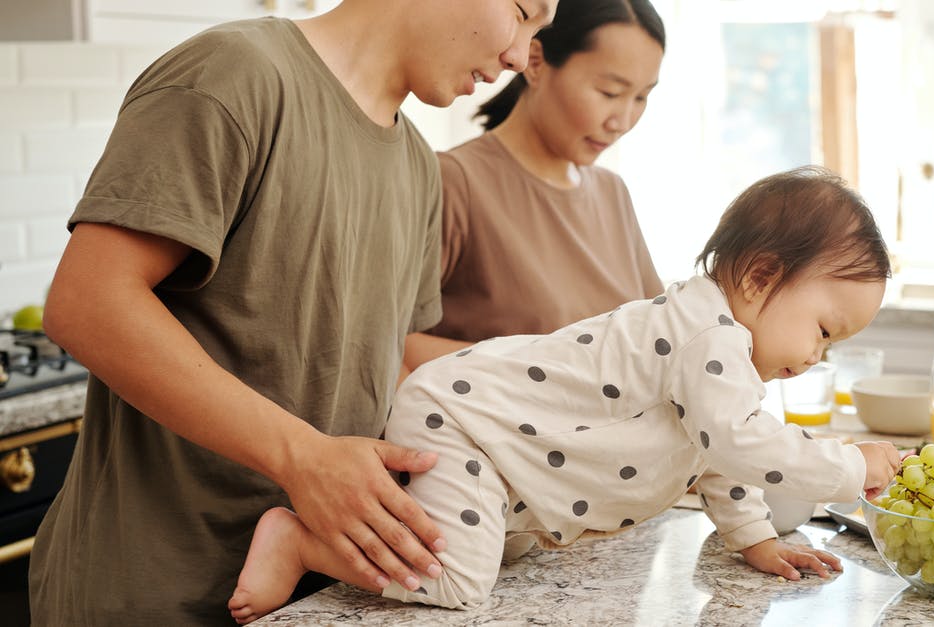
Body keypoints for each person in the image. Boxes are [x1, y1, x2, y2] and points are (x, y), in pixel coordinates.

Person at [28, 1, 558, 624]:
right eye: (524, 12)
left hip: (313, 601)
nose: (522, 57)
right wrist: (302, 458)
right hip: (152, 595)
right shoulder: (234, 75)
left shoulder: (417, 165)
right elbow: (88, 304)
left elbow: (378, 369)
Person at [227, 166, 903, 621]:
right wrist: (850, 465)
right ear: (759, 278)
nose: (817, 354)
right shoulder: (706, 337)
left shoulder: (720, 352)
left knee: (496, 551)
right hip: (464, 421)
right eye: (822, 329)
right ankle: (299, 542)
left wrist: (754, 538)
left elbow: (718, 455)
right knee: (460, 581)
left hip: (493, 440)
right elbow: (741, 441)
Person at [402, 0, 666, 370]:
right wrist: (548, 367)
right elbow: (387, 343)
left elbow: (660, 339)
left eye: (641, 97)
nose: (621, 121)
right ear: (537, 63)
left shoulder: (612, 194)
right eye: (609, 92)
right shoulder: (454, 182)